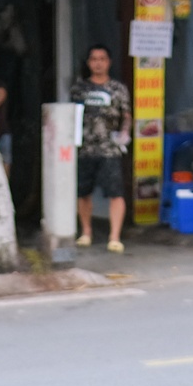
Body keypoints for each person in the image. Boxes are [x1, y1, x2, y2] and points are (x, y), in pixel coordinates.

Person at [71, 44, 130, 253]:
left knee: (116, 192)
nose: (98, 63)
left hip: (110, 149)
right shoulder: (79, 89)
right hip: (85, 148)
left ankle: (114, 237)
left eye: (102, 59)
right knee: (83, 192)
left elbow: (126, 116)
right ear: (88, 63)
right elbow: (72, 117)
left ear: (109, 62)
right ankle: (86, 232)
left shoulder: (118, 89)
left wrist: (124, 134)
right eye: (94, 59)